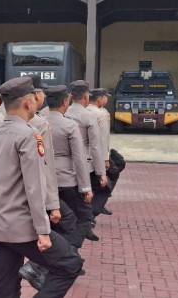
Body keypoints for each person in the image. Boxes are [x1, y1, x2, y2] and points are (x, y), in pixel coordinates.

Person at [0, 76, 83, 298]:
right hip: (21, 226)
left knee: (4, 288)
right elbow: (34, 187)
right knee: (69, 263)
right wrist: (43, 231)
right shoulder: (28, 135)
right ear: (28, 102)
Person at [48, 85, 94, 242]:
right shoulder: (69, 125)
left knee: (53, 223)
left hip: (45, 181)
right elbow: (79, 158)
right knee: (84, 219)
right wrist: (85, 187)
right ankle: (66, 256)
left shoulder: (38, 122)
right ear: (65, 102)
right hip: (67, 180)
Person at [64, 80, 107, 234]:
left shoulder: (64, 113)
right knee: (83, 201)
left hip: (63, 166)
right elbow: (95, 147)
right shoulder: (88, 116)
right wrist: (101, 172)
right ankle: (82, 229)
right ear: (86, 96)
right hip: (84, 164)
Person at [88, 89, 114, 217]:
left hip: (86, 154)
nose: (107, 100)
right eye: (105, 97)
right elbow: (103, 138)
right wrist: (105, 158)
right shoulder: (100, 114)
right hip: (96, 154)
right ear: (100, 98)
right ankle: (94, 210)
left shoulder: (85, 110)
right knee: (102, 184)